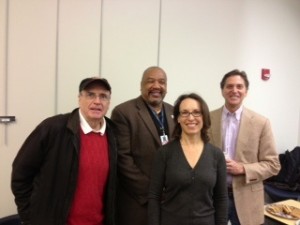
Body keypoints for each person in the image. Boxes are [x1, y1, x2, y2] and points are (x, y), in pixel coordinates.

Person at [11, 77, 117, 225]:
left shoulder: (114, 134)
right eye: (90, 95)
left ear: (109, 102)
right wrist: (30, 217)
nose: (97, 101)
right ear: (79, 99)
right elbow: (20, 173)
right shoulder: (53, 128)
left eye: (103, 96)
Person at [208, 69, 281, 225]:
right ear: (222, 90)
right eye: (229, 86)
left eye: (239, 86)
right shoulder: (207, 119)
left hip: (248, 197)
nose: (234, 90)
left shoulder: (261, 123)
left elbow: (273, 165)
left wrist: (243, 169)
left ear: (246, 91)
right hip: (213, 196)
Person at [148, 93, 228, 225]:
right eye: (184, 113)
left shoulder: (216, 155)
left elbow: (221, 199)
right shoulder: (164, 153)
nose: (191, 118)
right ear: (178, 118)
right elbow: (154, 196)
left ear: (204, 116)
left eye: (197, 112)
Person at [110, 66, 175, 225]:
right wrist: (152, 192)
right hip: (137, 202)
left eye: (162, 82)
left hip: (170, 202)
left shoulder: (174, 111)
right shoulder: (124, 112)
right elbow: (123, 159)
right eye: (150, 81)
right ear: (141, 85)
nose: (156, 86)